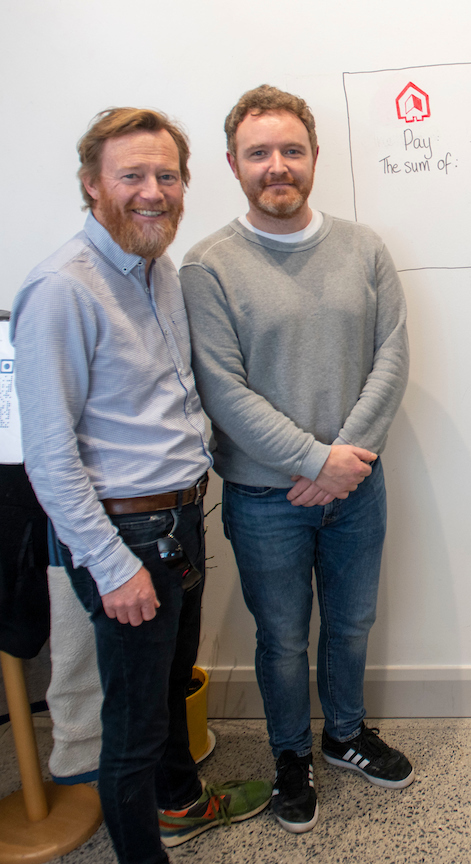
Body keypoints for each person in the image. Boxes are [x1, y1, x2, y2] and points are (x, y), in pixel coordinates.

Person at [11, 108, 271, 864]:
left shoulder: (157, 269)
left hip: (179, 526)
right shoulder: (63, 289)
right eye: (132, 175)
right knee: (131, 731)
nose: (152, 190)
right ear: (93, 185)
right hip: (127, 540)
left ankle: (182, 806)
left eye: (166, 175)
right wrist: (112, 564)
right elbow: (48, 456)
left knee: (166, 696)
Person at [180, 85, 411, 834]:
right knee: (279, 637)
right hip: (262, 499)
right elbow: (225, 391)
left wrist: (346, 465)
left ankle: (343, 735)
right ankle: (289, 756)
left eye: (291, 151)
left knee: (352, 623)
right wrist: (317, 462)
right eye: (259, 153)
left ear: (314, 157)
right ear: (232, 164)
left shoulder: (364, 247)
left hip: (359, 488)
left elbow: (392, 358)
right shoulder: (207, 266)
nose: (277, 166)